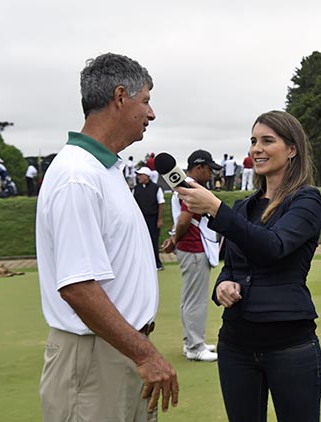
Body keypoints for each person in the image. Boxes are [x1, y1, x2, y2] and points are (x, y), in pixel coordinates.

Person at [35, 52, 178, 421]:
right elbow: (78, 287)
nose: (151, 113)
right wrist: (145, 353)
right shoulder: (77, 176)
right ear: (119, 97)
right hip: (95, 357)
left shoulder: (106, 169)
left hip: (121, 348)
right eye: (145, 100)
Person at [176, 110, 321, 422]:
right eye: (253, 141)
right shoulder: (244, 206)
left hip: (289, 344)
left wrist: (216, 208)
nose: (256, 148)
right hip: (236, 343)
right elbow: (232, 265)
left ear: (292, 148)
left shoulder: (306, 200)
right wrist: (223, 285)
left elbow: (273, 247)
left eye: (267, 141)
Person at [162, 149, 222, 362]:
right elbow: (185, 220)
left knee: (191, 299)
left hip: (192, 247)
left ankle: (193, 342)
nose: (211, 174)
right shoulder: (190, 189)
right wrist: (176, 239)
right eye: (209, 169)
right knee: (195, 301)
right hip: (194, 247)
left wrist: (174, 240)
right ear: (199, 167)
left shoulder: (184, 185)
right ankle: (195, 346)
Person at [133, 166, 165, 270]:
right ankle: (142, 264)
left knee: (153, 241)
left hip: (153, 218)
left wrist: (159, 219)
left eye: (141, 175)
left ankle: (157, 263)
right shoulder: (136, 189)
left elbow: (161, 203)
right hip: (140, 219)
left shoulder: (156, 188)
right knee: (140, 241)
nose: (139, 177)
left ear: (147, 176)